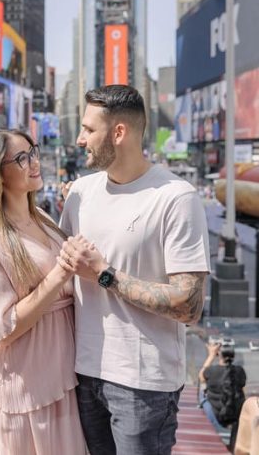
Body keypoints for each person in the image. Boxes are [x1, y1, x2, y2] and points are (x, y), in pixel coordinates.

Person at [58, 85, 210, 454]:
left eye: (89, 129)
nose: (80, 139)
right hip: (84, 372)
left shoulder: (176, 197)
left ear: (119, 133)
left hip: (144, 385)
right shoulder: (80, 192)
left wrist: (105, 274)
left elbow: (189, 306)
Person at [0, 129, 87, 454]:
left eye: (32, 152)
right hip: (21, 388)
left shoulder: (43, 217)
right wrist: (60, 272)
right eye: (21, 158)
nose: (34, 162)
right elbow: (4, 328)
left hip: (59, 378)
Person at [199, 341, 246, 448]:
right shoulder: (240, 371)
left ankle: (205, 419)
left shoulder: (211, 371)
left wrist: (211, 355)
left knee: (202, 390)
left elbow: (201, 377)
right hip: (235, 414)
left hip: (214, 413)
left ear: (219, 355)